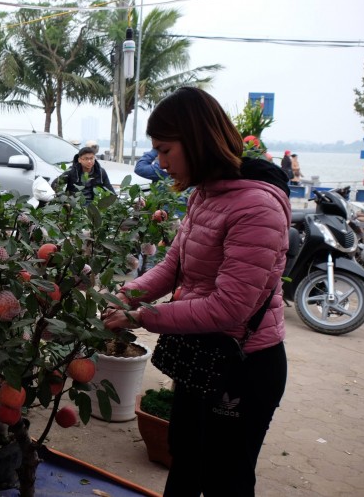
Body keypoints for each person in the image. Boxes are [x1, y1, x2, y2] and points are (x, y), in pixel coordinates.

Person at [103, 87, 289, 497]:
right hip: (203, 355)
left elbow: (230, 308)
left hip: (244, 364)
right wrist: (124, 295)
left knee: (226, 478)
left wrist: (140, 317)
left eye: (166, 150)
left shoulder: (256, 208)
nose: (160, 163)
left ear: (198, 138)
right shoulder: (206, 194)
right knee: (184, 457)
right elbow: (174, 266)